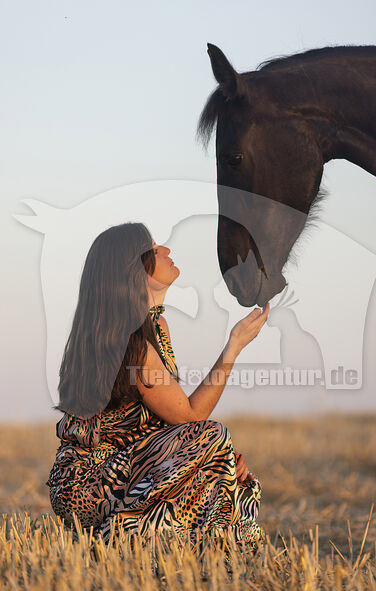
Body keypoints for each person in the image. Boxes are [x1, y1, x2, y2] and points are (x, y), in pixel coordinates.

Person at [46, 222, 270, 552]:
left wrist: (217, 459)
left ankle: (183, 554)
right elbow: (189, 418)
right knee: (211, 436)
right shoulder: (127, 338)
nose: (165, 250)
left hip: (130, 468)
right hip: (87, 481)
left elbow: (169, 423)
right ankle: (120, 538)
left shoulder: (154, 327)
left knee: (234, 477)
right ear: (131, 269)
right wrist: (233, 347)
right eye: (152, 249)